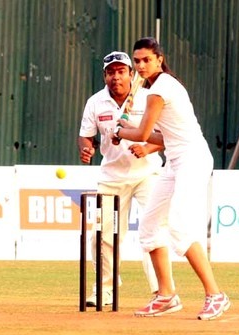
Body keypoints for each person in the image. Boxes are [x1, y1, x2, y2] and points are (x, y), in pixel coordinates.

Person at [113, 37, 230, 320]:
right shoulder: (153, 89)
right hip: (175, 161)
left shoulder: (161, 87)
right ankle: (166, 296)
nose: (141, 66)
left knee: (179, 228)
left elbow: (141, 136)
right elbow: (162, 137)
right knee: (150, 227)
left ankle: (216, 295)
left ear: (159, 60)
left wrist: (120, 131)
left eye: (146, 60)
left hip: (193, 160)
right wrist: (127, 127)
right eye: (137, 61)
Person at [77, 51, 170, 306]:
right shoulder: (95, 102)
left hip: (147, 173)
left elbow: (165, 136)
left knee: (153, 231)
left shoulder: (148, 97)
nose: (116, 77)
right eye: (111, 72)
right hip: (111, 176)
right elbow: (86, 135)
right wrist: (86, 148)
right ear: (105, 75)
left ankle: (161, 292)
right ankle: (104, 289)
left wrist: (147, 148)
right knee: (102, 235)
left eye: (121, 71)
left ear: (131, 73)